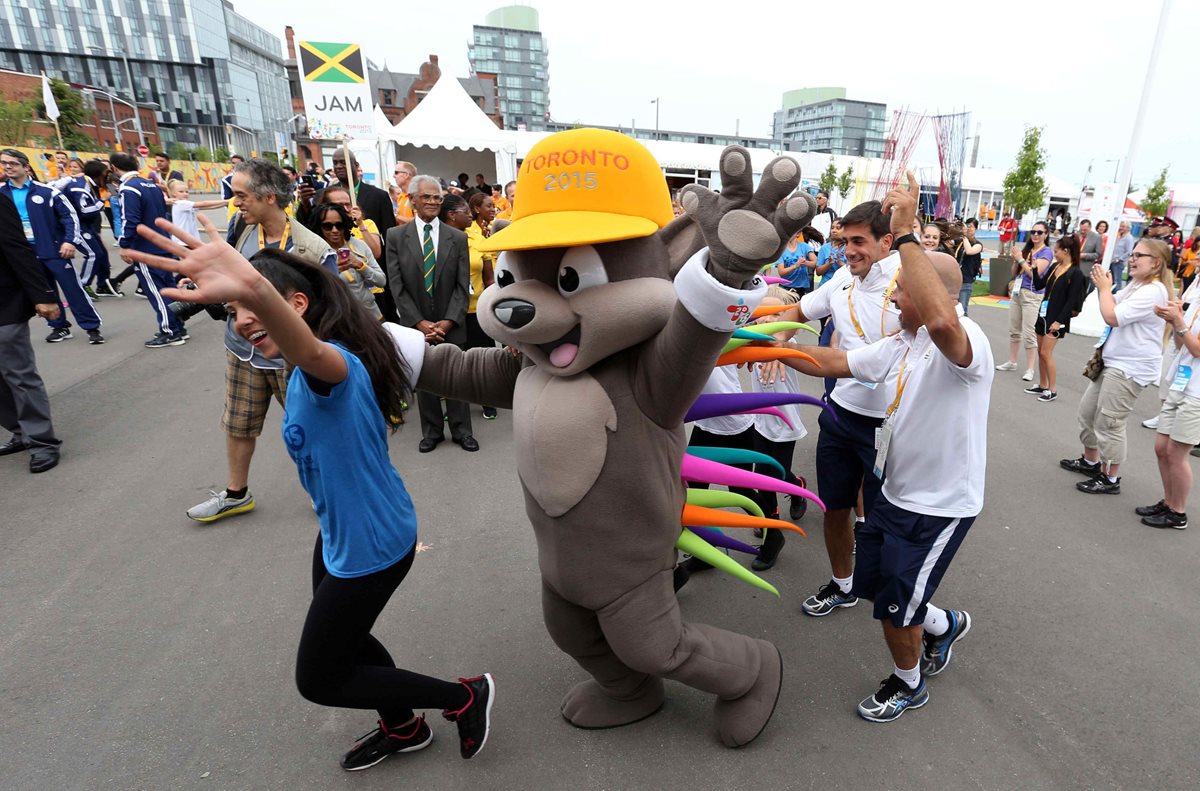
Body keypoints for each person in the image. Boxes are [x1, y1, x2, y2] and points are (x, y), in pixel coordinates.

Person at [130, 215, 496, 770]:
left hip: (373, 545)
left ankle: (462, 697)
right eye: (232, 313)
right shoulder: (302, 369)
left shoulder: (330, 366)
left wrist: (251, 286)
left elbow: (306, 350)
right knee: (346, 639)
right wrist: (251, 294)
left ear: (296, 306)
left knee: (320, 677)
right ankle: (403, 726)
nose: (243, 321)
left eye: (252, 307)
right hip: (342, 535)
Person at [779, 172, 990, 723]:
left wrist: (904, 234)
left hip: (939, 505)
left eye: (902, 292)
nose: (893, 296)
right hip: (898, 490)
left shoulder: (965, 345)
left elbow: (942, 317)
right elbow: (835, 362)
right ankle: (946, 625)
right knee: (882, 587)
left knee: (896, 609)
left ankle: (908, 682)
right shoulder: (905, 340)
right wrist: (761, 349)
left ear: (930, 296)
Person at [186, 158, 335, 523]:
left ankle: (328, 493)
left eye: (241, 195)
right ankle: (237, 494)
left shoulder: (312, 248)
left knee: (309, 428)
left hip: (292, 355)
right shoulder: (239, 229)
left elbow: (331, 308)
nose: (235, 203)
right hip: (243, 349)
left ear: (269, 197)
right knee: (239, 423)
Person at [779, 199, 902, 617]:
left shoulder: (905, 283)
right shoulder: (840, 283)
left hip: (890, 425)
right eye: (844, 241)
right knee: (834, 509)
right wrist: (776, 338)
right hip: (838, 414)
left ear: (886, 241)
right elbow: (795, 309)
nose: (848, 250)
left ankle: (902, 598)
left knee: (885, 519)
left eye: (859, 241)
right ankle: (843, 583)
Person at [1061, 238, 1172, 495]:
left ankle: (1110, 478)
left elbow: (1112, 315)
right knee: (1088, 413)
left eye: (1139, 255)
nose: (1132, 259)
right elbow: (1110, 303)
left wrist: (1103, 288)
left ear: (1155, 263)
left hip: (1130, 367)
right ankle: (1091, 461)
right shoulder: (1137, 285)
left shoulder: (1153, 291)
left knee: (1110, 422)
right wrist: (1105, 289)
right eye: (1132, 254)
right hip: (1113, 361)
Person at [385, 175, 476, 452]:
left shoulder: (457, 238)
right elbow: (396, 285)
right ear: (412, 200)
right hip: (416, 325)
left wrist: (448, 321)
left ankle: (462, 430)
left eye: (437, 196)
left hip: (452, 323)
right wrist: (419, 322)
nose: (433, 201)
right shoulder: (396, 236)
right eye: (427, 196)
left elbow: (463, 286)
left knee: (456, 377)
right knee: (424, 376)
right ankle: (432, 431)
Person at [0, 148, 104, 345]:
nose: (7, 167)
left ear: (26, 166)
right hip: (24, 254)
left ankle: (91, 326)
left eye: (12, 163)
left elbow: (70, 216)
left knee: (73, 289)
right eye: (4, 163)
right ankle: (58, 326)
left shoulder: (48, 191)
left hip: (53, 249)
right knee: (44, 291)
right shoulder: (2, 194)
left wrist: (69, 241)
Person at [0, 191, 63, 473]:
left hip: (3, 303)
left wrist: (43, 294)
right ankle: (20, 431)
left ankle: (41, 441)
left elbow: (15, 246)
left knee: (18, 372)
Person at [111, 151, 189, 347]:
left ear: (113, 167)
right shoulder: (151, 185)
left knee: (157, 292)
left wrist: (124, 244)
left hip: (146, 248)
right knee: (169, 288)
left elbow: (130, 220)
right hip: (163, 244)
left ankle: (170, 332)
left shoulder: (128, 188)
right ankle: (178, 326)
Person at [1028, 235, 1087, 402]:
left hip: (1057, 318)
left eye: (1057, 250)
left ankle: (1052, 389)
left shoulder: (1076, 273)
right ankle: (1042, 385)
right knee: (1040, 352)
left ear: (1066, 251)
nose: (1055, 253)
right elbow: (1040, 285)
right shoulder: (1055, 266)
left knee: (1046, 353)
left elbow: (1071, 301)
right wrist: (1033, 269)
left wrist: (1059, 321)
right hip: (1044, 314)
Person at [996, 221, 1052, 383]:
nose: (1035, 235)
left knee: (1029, 333)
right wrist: (1016, 260)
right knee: (1014, 329)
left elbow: (1036, 274)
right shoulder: (1028, 250)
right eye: (1033, 232)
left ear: (1046, 234)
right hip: (1018, 292)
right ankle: (1012, 361)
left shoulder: (1046, 252)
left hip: (1032, 295)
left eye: (1039, 232)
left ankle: (1030, 368)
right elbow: (1015, 272)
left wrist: (1021, 259)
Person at [310, 201, 384, 319]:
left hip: (371, 317)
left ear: (345, 224)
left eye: (339, 225)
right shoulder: (315, 251)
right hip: (339, 322)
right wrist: (334, 272)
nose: (334, 230)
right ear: (319, 227)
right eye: (327, 226)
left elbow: (381, 281)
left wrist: (361, 266)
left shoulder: (359, 245)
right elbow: (314, 292)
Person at [463, 192, 499, 419]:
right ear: (476, 208)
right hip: (457, 309)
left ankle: (487, 400)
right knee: (460, 358)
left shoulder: (487, 233)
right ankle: (459, 401)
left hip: (479, 307)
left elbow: (489, 276)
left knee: (482, 357)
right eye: (489, 206)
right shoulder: (465, 234)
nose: (494, 209)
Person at [73, 159, 121, 298]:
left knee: (102, 253)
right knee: (94, 254)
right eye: (106, 173)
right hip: (78, 224)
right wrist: (103, 200)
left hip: (89, 222)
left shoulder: (97, 183)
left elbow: (117, 195)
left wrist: (112, 188)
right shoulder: (81, 187)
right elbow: (84, 210)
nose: (108, 176)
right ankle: (82, 286)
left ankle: (103, 285)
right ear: (98, 173)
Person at [317, 185, 382, 261]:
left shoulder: (367, 223)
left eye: (348, 204)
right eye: (339, 205)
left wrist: (360, 224)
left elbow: (376, 254)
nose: (346, 209)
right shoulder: (321, 228)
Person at [774, 227, 817, 299]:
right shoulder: (781, 250)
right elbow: (781, 272)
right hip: (784, 287)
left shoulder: (805, 247)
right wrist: (796, 266)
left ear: (798, 234)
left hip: (800, 288)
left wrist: (805, 262)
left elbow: (816, 262)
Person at [955, 218, 983, 314]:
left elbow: (969, 251)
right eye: (967, 226)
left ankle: (965, 329)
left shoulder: (978, 244)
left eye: (971, 227)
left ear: (976, 229)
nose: (968, 229)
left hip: (966, 281)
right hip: (954, 281)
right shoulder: (958, 242)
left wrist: (964, 236)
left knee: (962, 311)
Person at [1077, 219, 1103, 287]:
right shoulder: (1076, 234)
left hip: (1085, 269)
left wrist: (1085, 255)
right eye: (1081, 229)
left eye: (1085, 230)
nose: (1082, 231)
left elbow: (1098, 254)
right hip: (1073, 267)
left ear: (1090, 227)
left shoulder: (1097, 237)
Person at [1111, 221, 1135, 291]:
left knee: (1117, 280)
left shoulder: (1129, 238)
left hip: (1119, 263)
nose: (1120, 228)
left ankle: (1117, 296)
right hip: (1113, 261)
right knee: (1112, 280)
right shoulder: (1119, 236)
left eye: (1123, 226)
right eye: (1120, 226)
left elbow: (1129, 251)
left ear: (1128, 228)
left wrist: (1119, 259)